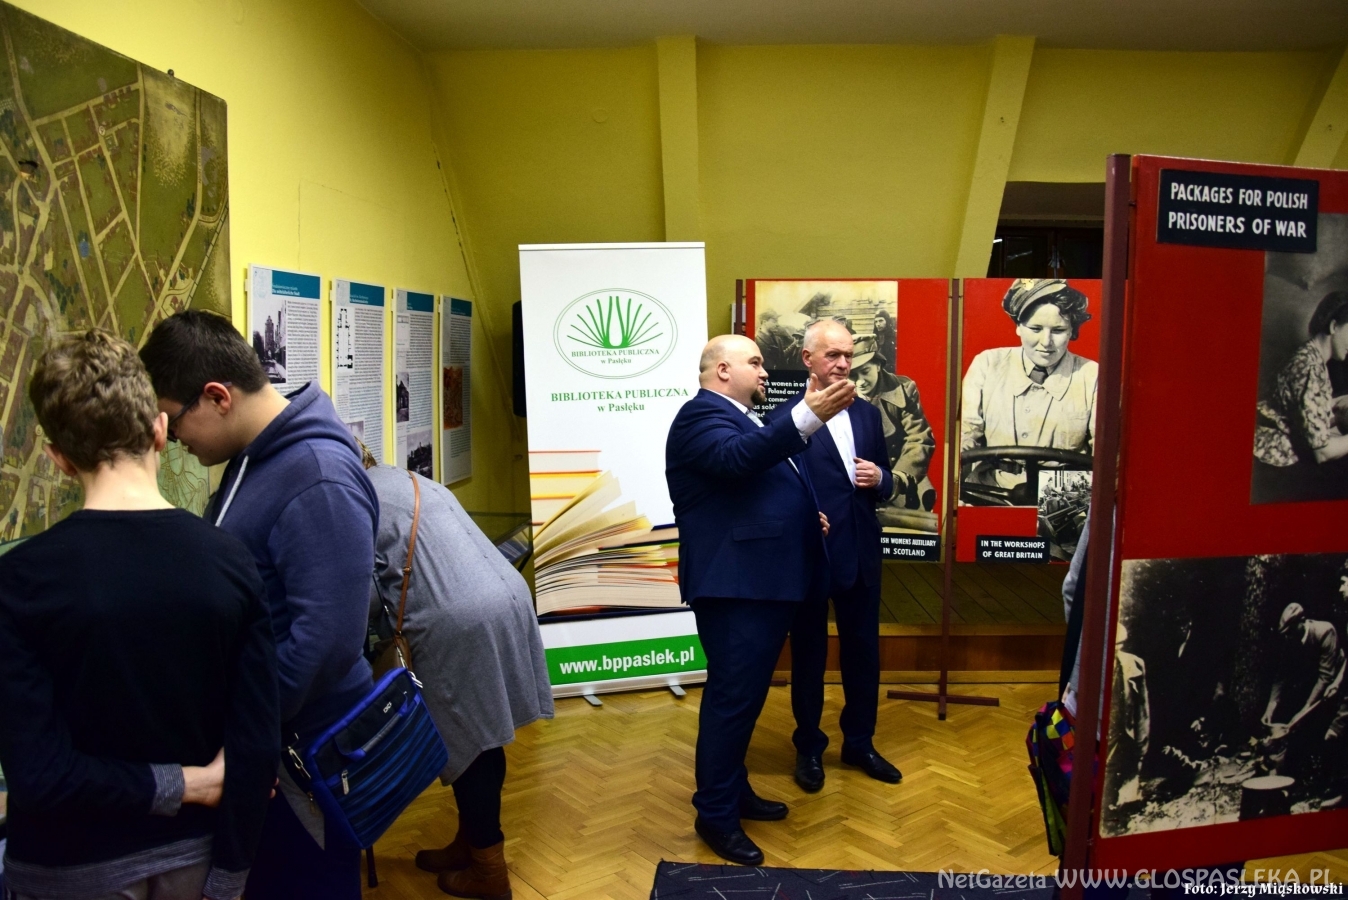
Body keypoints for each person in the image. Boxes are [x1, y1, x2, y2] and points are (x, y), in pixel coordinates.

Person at [0, 330, 279, 900]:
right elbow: (254, 746)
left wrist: (183, 785)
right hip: (198, 862)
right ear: (157, 429)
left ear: (58, 458)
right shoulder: (231, 562)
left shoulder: (19, 582)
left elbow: (40, 776)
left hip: (66, 870)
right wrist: (226, 880)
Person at [139, 310, 379, 900]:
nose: (173, 440)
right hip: (271, 750)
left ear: (217, 397)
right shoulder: (255, 456)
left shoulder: (317, 476)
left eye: (173, 418)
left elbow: (326, 643)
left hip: (305, 762)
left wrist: (245, 735)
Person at [665, 334, 853, 866]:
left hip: (761, 580)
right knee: (732, 701)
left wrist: (804, 517)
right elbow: (737, 460)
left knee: (744, 702)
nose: (765, 371)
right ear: (722, 370)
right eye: (755, 362)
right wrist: (807, 416)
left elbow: (754, 487)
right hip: (736, 586)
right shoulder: (699, 415)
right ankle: (715, 815)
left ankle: (734, 791)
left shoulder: (743, 417)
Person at [356, 449, 554, 899]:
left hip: (461, 622)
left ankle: (489, 871)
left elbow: (364, 598)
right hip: (503, 598)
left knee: (470, 744)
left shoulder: (358, 498)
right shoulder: (408, 480)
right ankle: (471, 842)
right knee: (482, 738)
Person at [775, 321, 903, 795]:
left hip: (862, 552)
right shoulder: (785, 419)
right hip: (811, 554)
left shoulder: (867, 414)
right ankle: (808, 748)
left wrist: (883, 479)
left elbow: (884, 475)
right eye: (833, 355)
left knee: (864, 653)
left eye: (848, 354)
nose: (844, 364)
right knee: (809, 655)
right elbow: (772, 486)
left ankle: (859, 743)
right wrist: (802, 516)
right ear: (807, 358)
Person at [961, 278, 1097, 504]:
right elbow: (966, 431)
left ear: (1072, 330)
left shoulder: (1092, 375)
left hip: (1065, 494)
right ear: (1018, 326)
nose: (1046, 342)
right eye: (1035, 329)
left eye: (1058, 330)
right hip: (990, 487)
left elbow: (1106, 453)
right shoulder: (988, 364)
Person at [1253, 290, 1348, 503]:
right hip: (1276, 459)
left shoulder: (1313, 357)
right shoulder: (1308, 367)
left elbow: (1313, 411)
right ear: (1334, 326)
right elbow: (1322, 452)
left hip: (1291, 447)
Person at [849, 335, 937, 519]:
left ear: (878, 365)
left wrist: (898, 479)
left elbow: (919, 439)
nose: (860, 381)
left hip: (899, 479)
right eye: (853, 375)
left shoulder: (903, 390)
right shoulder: (839, 394)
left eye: (865, 371)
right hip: (854, 483)